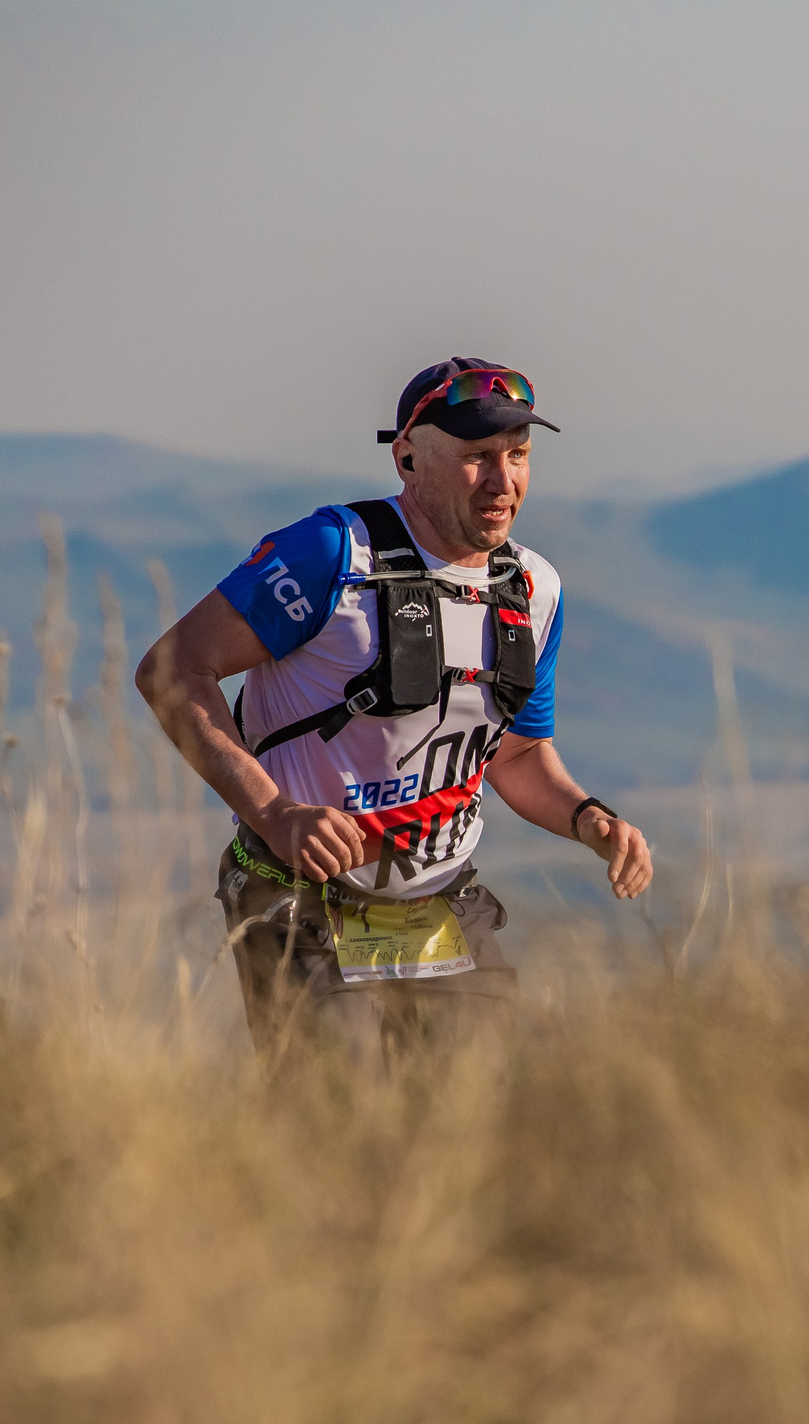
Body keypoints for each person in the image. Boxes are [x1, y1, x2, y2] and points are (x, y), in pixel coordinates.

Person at [134, 357, 650, 1062]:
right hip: (302, 900)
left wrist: (592, 819)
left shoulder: (533, 588)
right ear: (409, 457)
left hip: (444, 903)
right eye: (475, 458)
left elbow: (518, 755)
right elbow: (173, 671)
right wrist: (274, 813)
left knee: (470, 1132)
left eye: (519, 456)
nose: (504, 482)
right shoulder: (330, 553)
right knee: (337, 1131)